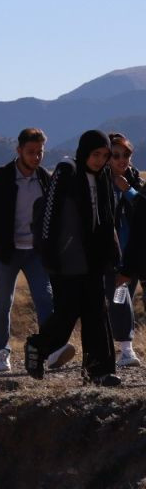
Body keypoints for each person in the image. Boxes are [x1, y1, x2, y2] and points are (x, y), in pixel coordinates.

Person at [26, 130, 121, 387]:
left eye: (104, 155)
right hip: (65, 257)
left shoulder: (103, 177)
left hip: (93, 258)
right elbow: (49, 214)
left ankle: (98, 372)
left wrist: (113, 253)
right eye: (95, 154)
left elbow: (107, 217)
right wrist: (49, 253)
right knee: (68, 311)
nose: (100, 160)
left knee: (96, 311)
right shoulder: (66, 171)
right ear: (84, 152)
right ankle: (37, 346)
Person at [0, 128, 55, 372]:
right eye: (31, 152)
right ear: (19, 151)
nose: (36, 157)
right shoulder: (0, 178)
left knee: (45, 299)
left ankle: (49, 350)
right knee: (3, 302)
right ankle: (3, 352)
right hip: (7, 252)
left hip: (36, 253)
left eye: (40, 152)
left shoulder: (45, 178)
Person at [106, 133, 141, 367]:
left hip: (136, 252)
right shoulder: (98, 182)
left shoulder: (134, 179)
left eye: (126, 155)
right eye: (116, 155)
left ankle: (115, 346)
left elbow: (143, 207)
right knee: (121, 298)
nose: (122, 160)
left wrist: (127, 190)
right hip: (112, 254)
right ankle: (127, 349)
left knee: (124, 298)